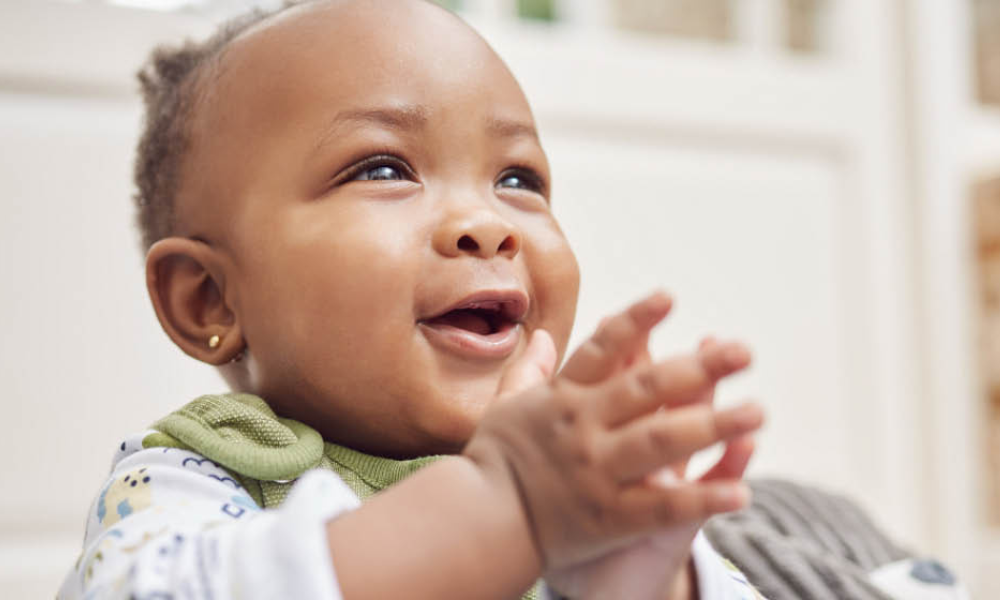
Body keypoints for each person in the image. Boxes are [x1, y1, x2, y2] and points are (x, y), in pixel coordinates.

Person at [59, 1, 768, 598]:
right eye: (383, 168)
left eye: (518, 180)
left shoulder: (582, 489)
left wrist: (655, 575)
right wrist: (503, 507)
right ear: (210, 299)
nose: (487, 225)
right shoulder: (198, 481)